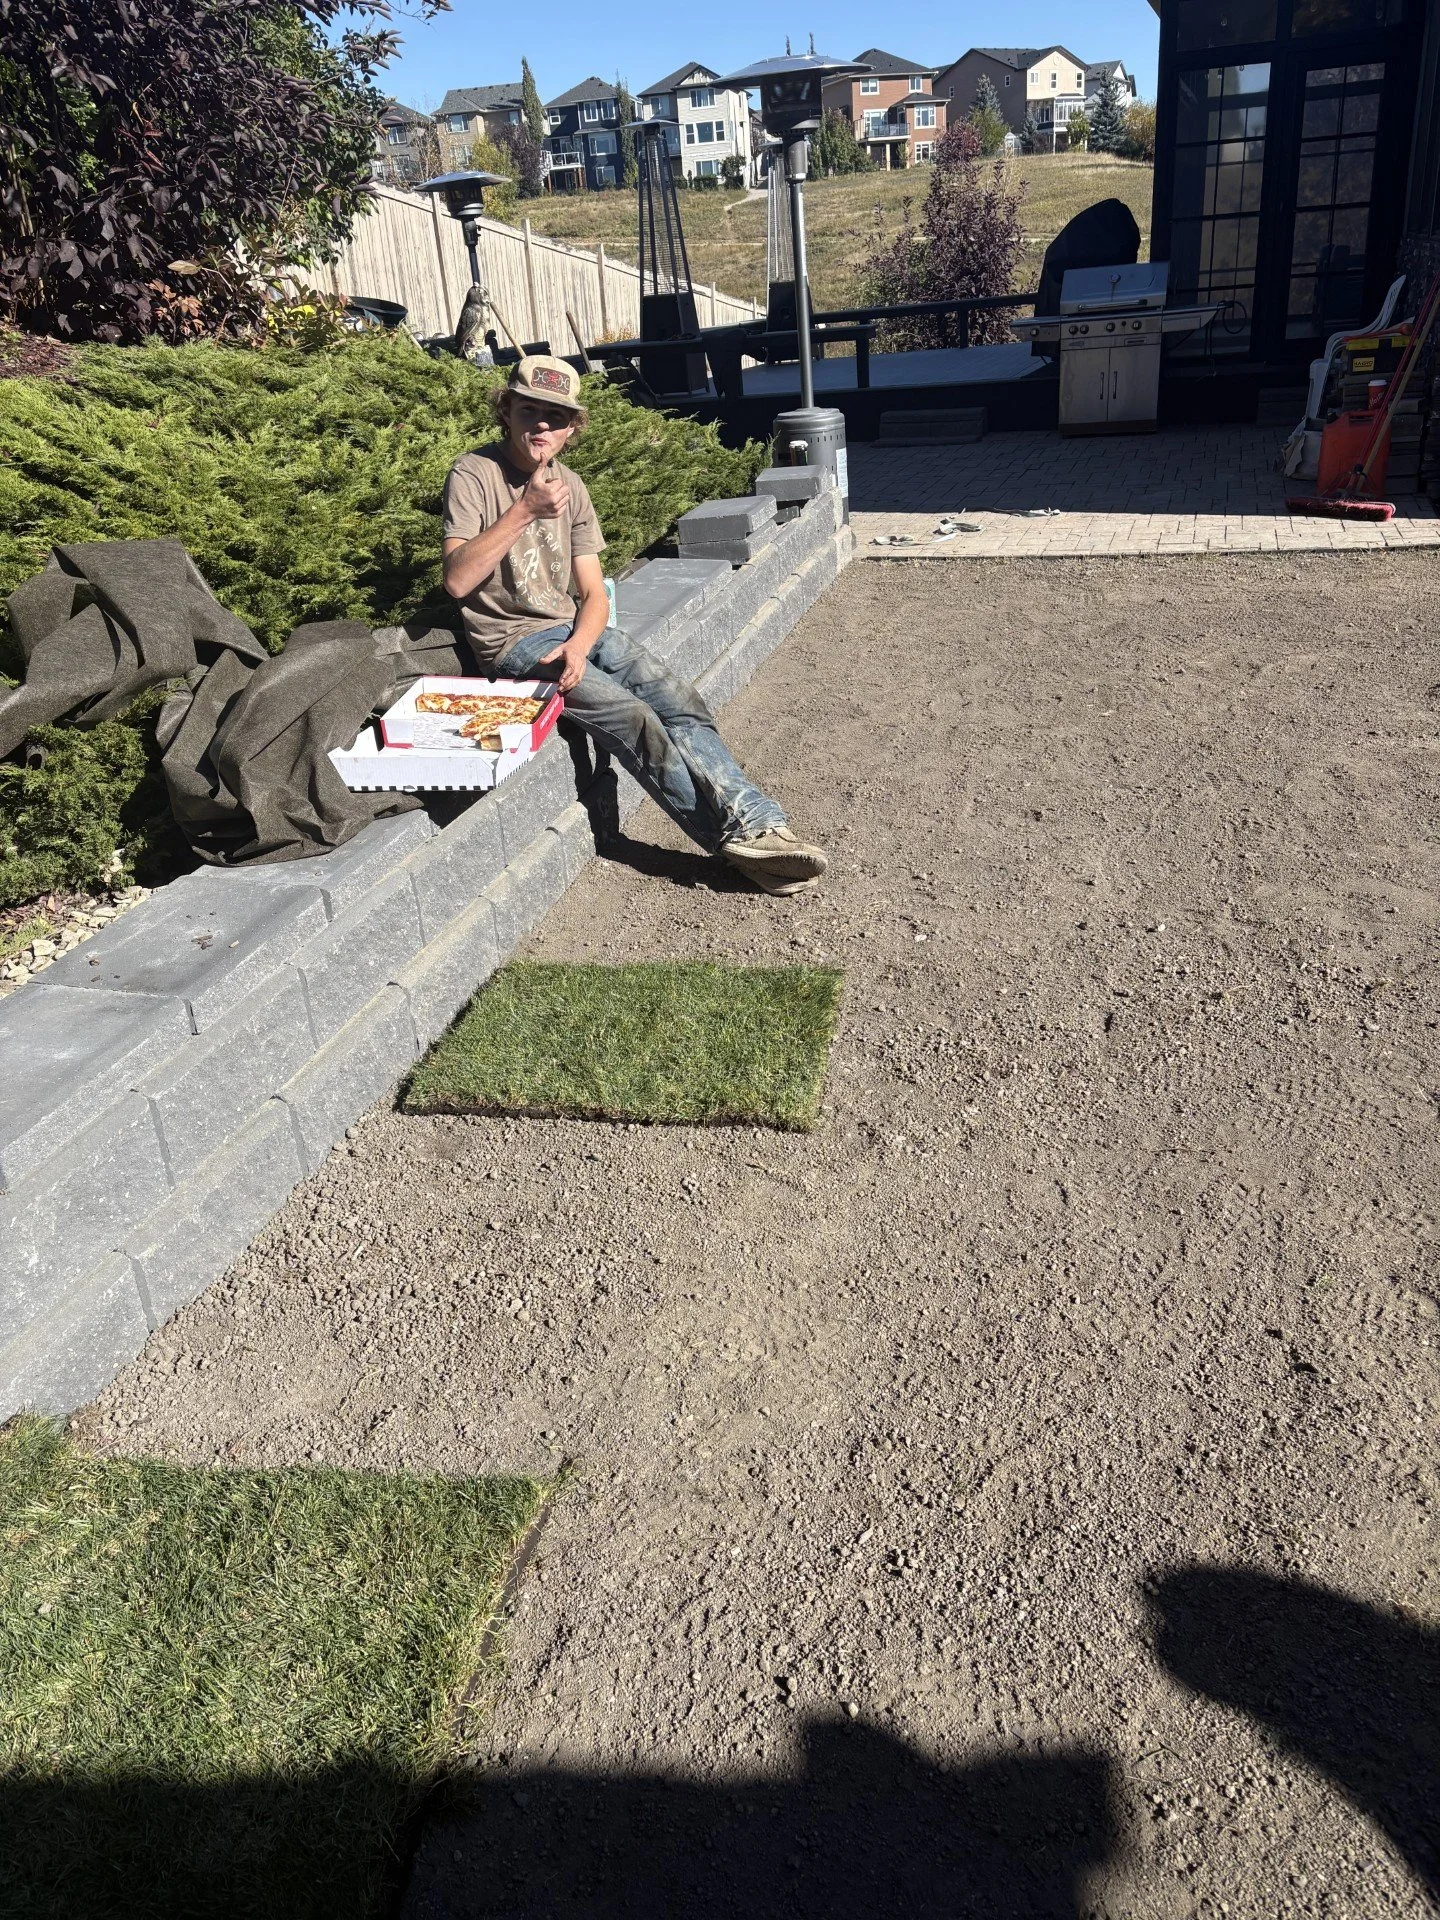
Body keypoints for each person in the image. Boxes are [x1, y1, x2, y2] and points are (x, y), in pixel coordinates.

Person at [441, 355, 828, 897]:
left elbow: (594, 593)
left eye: (557, 417)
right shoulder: (474, 473)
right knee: (634, 717)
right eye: (530, 411)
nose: (542, 426)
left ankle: (759, 824)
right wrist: (524, 511)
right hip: (513, 645)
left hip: (572, 634)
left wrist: (579, 643)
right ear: (506, 411)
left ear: (573, 428)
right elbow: (458, 582)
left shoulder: (570, 486)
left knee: (680, 701)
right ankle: (736, 846)